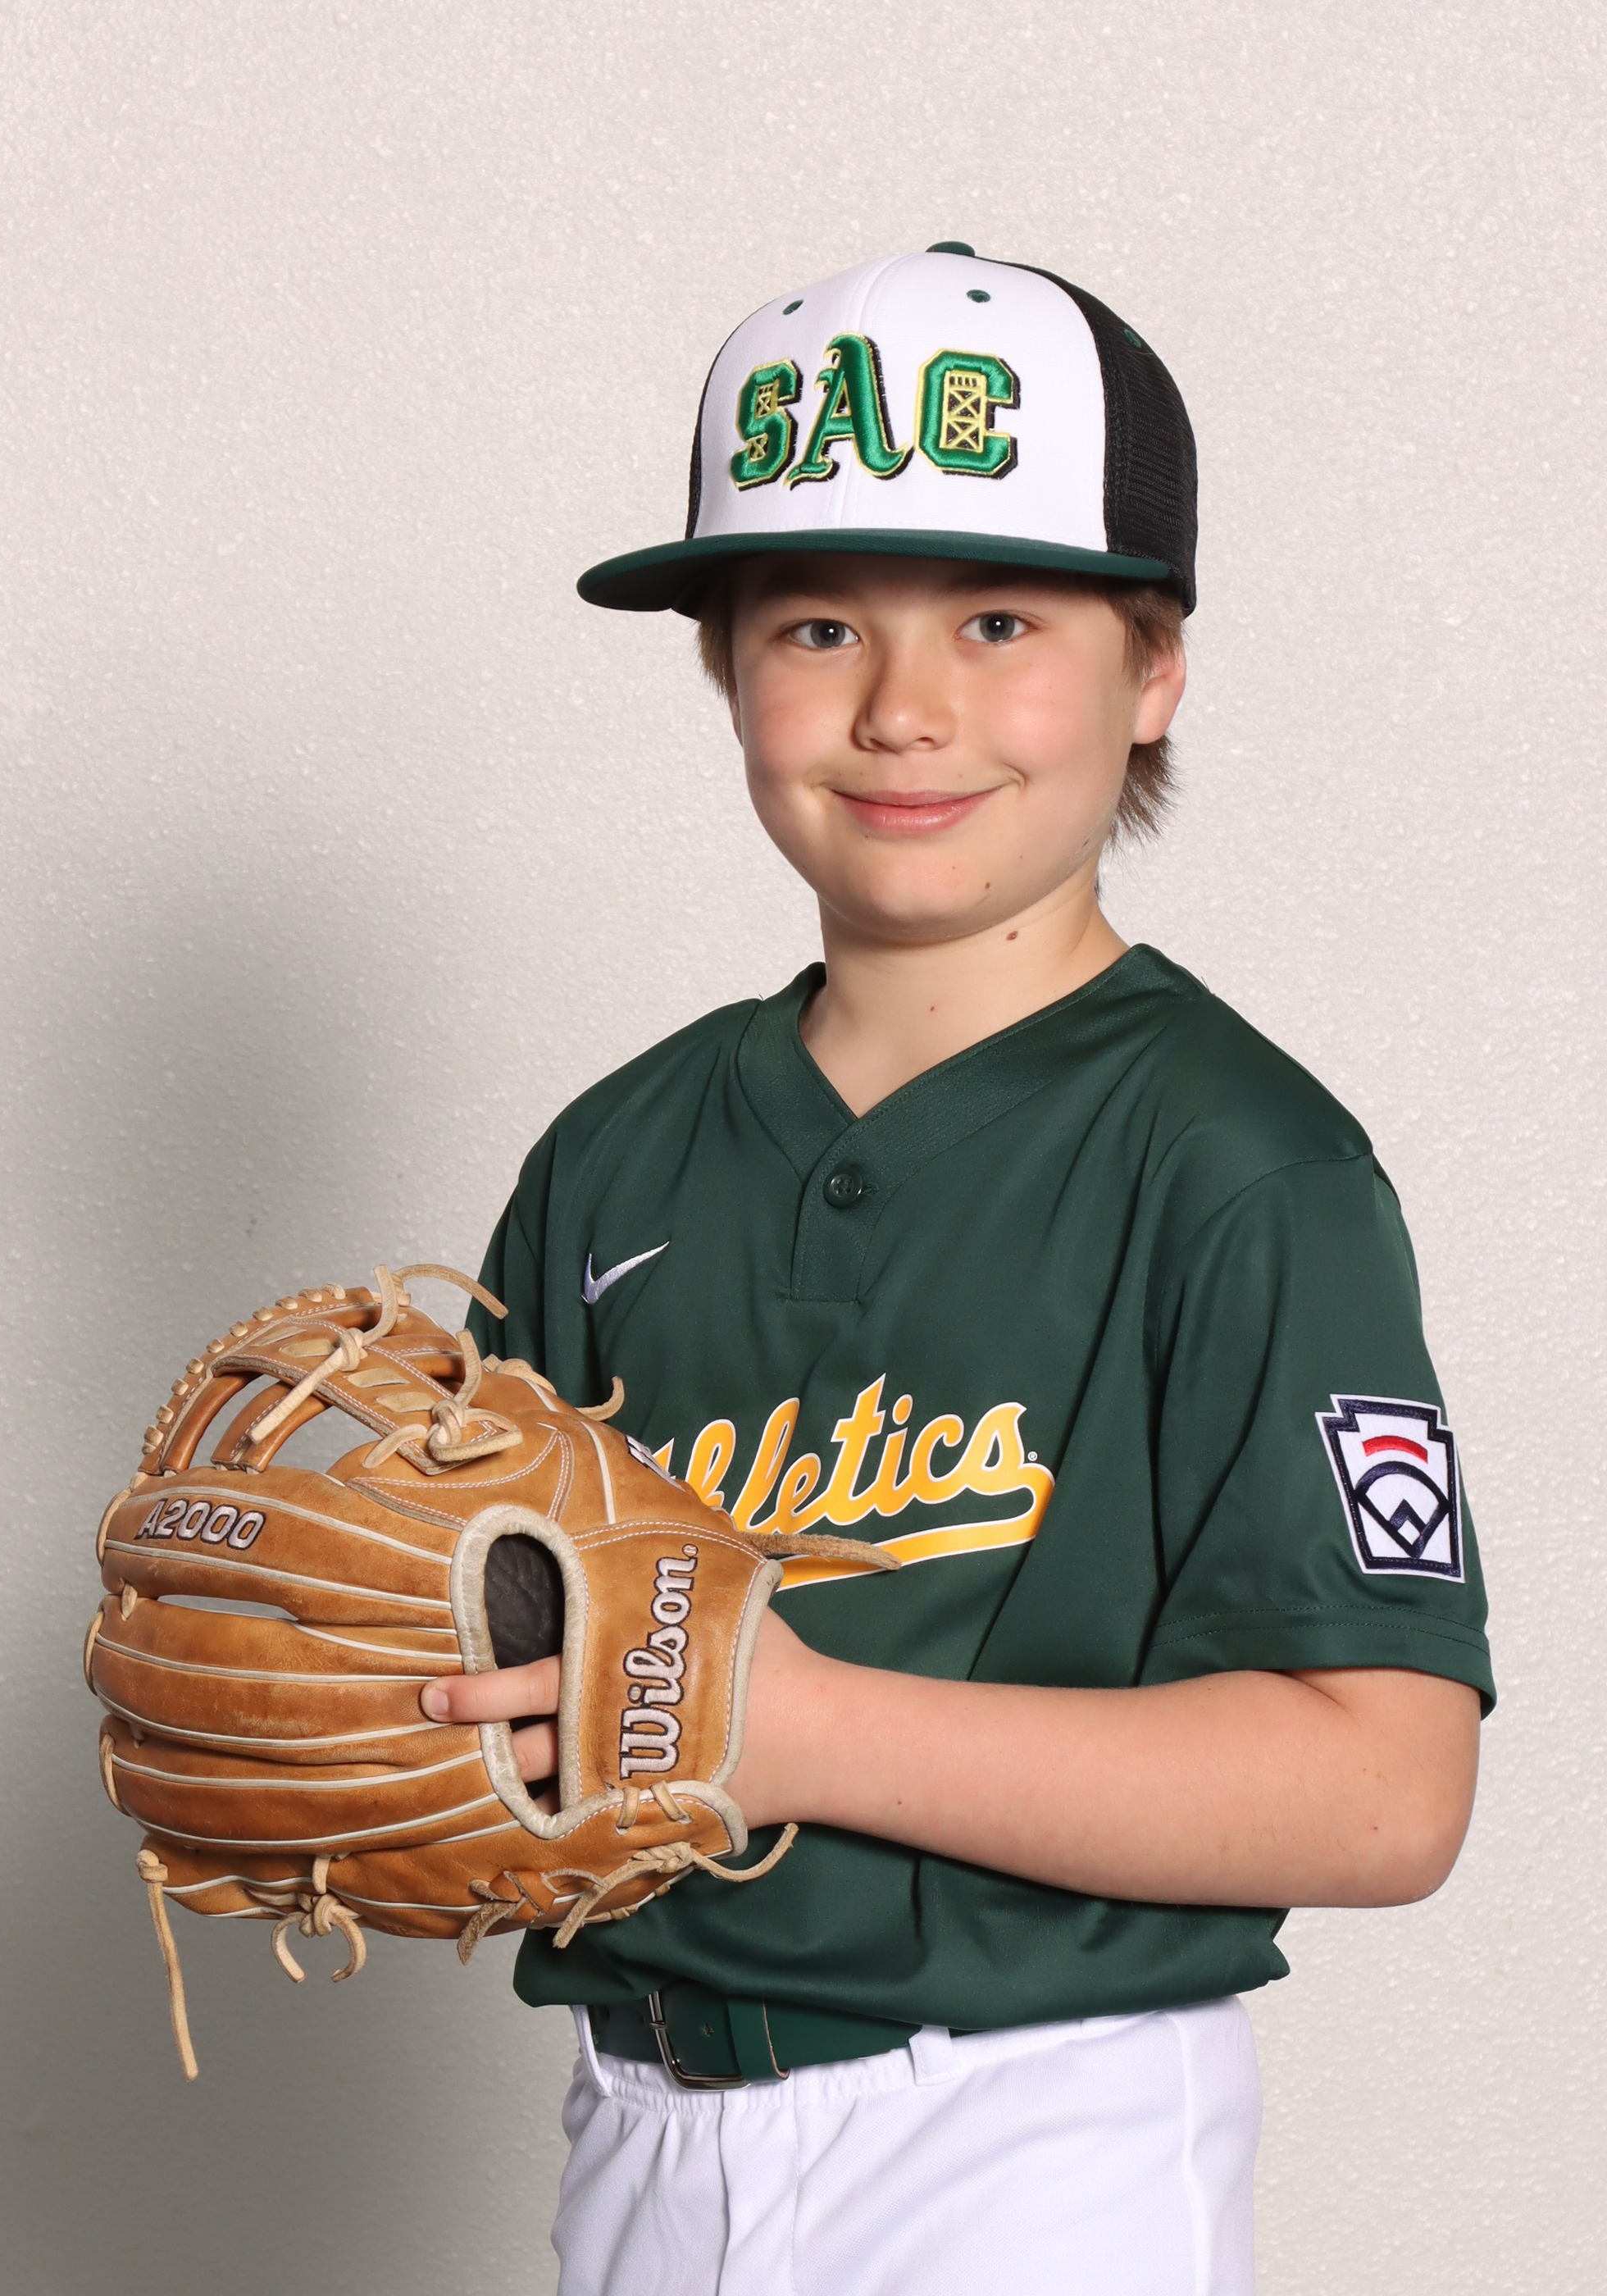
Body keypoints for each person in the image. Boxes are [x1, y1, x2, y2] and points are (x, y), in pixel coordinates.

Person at [428, 244, 1493, 2294]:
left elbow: (1385, 1787)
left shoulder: (1240, 1162)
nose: (900, 707)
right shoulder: (614, 1156)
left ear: (1152, 667)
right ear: (725, 670)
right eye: (817, 623)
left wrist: (797, 1726)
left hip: (1033, 2131)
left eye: (997, 619)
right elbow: (501, 1668)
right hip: (639, 2124)